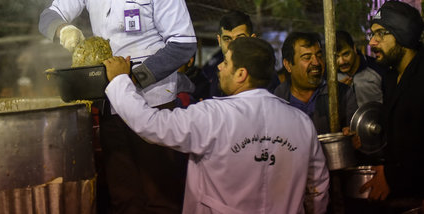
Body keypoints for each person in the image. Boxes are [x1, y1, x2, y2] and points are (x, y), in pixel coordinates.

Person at [39, 0, 196, 213]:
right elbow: (47, 16)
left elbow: (183, 44)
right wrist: (63, 29)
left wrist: (132, 78)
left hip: (154, 103)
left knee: (159, 193)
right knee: (123, 194)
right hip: (111, 106)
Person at [103, 37, 330, 213]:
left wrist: (120, 82)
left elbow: (151, 125)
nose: (219, 67)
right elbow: (317, 188)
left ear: (241, 74)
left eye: (226, 62)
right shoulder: (301, 123)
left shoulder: (213, 116)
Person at [361, 0, 424, 208]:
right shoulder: (390, 77)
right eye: (372, 34)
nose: (372, 42)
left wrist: (393, 176)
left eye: (380, 33)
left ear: (402, 34)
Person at [274, 31, 357, 134]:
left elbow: (354, 131)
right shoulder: (277, 100)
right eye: (307, 57)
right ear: (288, 65)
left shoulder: (342, 94)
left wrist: (351, 134)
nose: (316, 62)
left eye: (319, 56)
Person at [197, 10, 256, 99]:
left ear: (252, 40)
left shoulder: (264, 74)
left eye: (240, 38)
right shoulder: (216, 74)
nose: (233, 45)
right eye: (227, 39)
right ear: (219, 41)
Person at [335, 30, 384, 107]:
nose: (341, 62)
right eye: (336, 57)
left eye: (346, 54)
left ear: (354, 48)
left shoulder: (377, 68)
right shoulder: (330, 76)